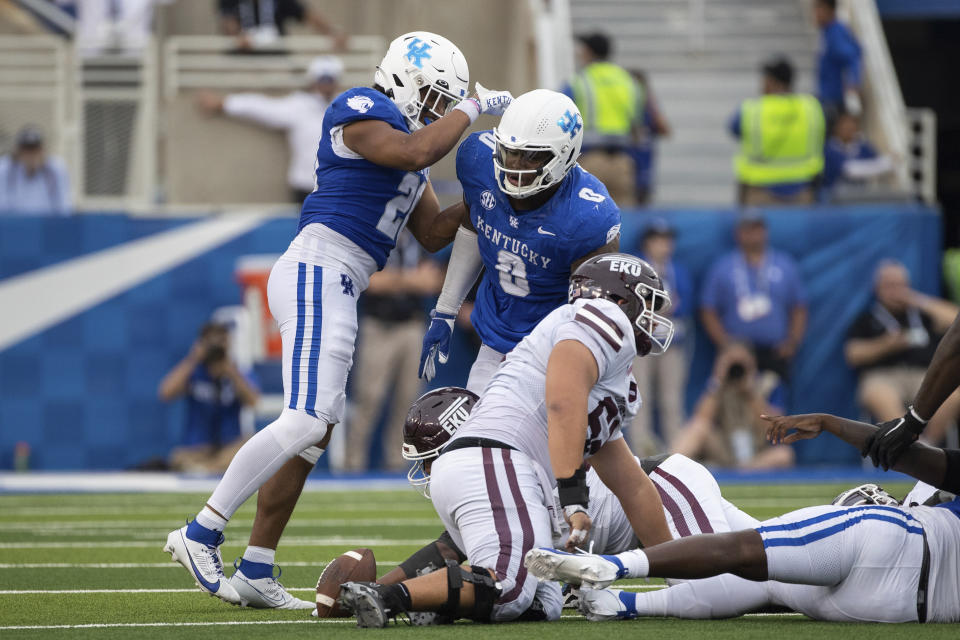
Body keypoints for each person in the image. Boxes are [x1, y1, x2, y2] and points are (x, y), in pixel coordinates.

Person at [163, 31, 514, 609]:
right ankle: (201, 531)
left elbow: (429, 235)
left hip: (342, 282)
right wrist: (471, 109)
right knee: (304, 420)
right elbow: (418, 151)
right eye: (433, 99)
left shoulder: (405, 143)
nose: (434, 113)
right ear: (402, 80)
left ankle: (256, 567)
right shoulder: (360, 108)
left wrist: (486, 199)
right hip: (316, 267)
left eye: (442, 104)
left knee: (314, 432)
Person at [337, 254, 676, 627]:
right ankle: (391, 598)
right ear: (619, 298)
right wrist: (574, 497)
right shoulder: (602, 316)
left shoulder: (612, 379)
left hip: (488, 466)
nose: (655, 316)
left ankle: (423, 602)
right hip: (498, 457)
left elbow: (633, 487)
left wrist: (678, 569)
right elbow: (563, 403)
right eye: (651, 302)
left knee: (541, 602)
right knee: (510, 588)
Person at [525, 410, 960, 624]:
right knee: (748, 570)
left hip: (900, 544)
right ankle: (619, 591)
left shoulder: (910, 508)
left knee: (745, 564)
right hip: (914, 607)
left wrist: (831, 423)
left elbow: (908, 455)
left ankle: (614, 579)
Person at [418, 89, 622, 392]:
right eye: (510, 151)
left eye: (531, 156)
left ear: (564, 155)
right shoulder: (480, 161)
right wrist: (447, 309)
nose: (515, 165)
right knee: (479, 436)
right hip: (494, 338)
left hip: (554, 348)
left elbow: (590, 315)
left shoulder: (588, 215)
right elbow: (475, 224)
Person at [344, 231, 443, 471]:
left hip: (412, 326)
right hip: (379, 326)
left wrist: (394, 279)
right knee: (369, 398)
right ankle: (352, 465)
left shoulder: (418, 242)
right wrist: (411, 280)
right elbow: (371, 282)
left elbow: (433, 281)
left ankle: (398, 464)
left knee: (409, 399)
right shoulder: (374, 239)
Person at [195, 55, 344, 203]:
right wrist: (224, 104)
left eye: (330, 79)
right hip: (305, 186)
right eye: (322, 79)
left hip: (338, 186)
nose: (326, 85)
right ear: (313, 80)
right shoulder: (299, 105)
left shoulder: (346, 107)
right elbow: (260, 107)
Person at [845, 260, 960, 450]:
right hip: (883, 376)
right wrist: (887, 345)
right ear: (877, 288)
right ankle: (907, 447)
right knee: (878, 393)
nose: (895, 291)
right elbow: (853, 354)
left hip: (924, 374)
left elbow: (955, 321)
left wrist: (916, 300)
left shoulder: (923, 314)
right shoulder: (867, 318)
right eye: (889, 286)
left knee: (954, 393)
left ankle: (927, 446)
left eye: (899, 285)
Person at [700, 210, 807, 406]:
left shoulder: (785, 265)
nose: (752, 235)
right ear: (738, 233)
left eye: (757, 229)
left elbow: (799, 307)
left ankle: (771, 437)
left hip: (774, 351)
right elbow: (708, 308)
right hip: (738, 350)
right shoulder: (722, 267)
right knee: (735, 405)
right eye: (747, 230)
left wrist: (792, 342)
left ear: (765, 231)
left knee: (774, 405)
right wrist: (724, 342)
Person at [671, 342, 793, 469]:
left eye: (741, 362)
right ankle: (669, 468)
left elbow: (773, 428)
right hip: (724, 448)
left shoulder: (768, 382)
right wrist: (717, 381)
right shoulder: (716, 386)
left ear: (752, 362)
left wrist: (751, 393)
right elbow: (701, 419)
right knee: (698, 428)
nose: (737, 366)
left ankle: (743, 470)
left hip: (756, 450)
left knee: (785, 454)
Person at [158, 323, 259, 473]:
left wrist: (231, 371)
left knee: (251, 446)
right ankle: (211, 468)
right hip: (197, 449)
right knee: (178, 457)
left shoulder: (238, 371)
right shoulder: (194, 373)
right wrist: (193, 359)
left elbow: (253, 401)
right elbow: (165, 393)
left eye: (222, 342)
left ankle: (208, 469)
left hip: (229, 447)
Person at [629, 218, 691, 453]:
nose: (663, 245)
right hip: (640, 342)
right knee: (639, 400)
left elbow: (685, 303)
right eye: (658, 240)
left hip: (671, 342)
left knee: (671, 401)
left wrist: (661, 307)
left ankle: (678, 454)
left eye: (667, 240)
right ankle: (640, 453)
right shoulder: (636, 267)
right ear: (647, 242)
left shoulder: (678, 270)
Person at [563, 32, 645, 208]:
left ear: (589, 52)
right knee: (622, 222)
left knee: (586, 216)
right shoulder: (628, 81)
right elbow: (639, 127)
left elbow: (558, 117)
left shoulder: (580, 81)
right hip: (622, 162)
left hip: (590, 162)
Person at [730, 56, 825, 205]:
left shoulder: (753, 109)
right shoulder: (811, 107)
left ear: (772, 82)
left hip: (760, 193)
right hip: (803, 192)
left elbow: (734, 128)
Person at [821, 112, 895, 201]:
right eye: (845, 126)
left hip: (859, 195)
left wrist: (888, 162)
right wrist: (886, 163)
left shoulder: (862, 145)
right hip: (834, 197)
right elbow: (850, 170)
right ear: (837, 127)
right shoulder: (830, 148)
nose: (849, 130)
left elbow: (879, 160)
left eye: (852, 127)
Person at [217, 0, 347, 50]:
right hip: (243, 59)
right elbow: (228, 23)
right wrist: (238, 36)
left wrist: (333, 32)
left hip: (276, 59)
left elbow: (307, 15)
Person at [0, 126, 71, 215]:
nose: (31, 155)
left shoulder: (55, 168)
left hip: (46, 226)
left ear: (43, 150)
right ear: (18, 152)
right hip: (14, 226)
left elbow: (63, 208)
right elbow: (2, 208)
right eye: (27, 150)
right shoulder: (5, 168)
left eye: (35, 150)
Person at [813, 0, 863, 120]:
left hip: (834, 101)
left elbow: (852, 57)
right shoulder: (827, 32)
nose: (815, 14)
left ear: (829, 10)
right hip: (827, 97)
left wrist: (853, 83)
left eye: (818, 9)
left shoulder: (836, 33)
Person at [628, 70, 670, 206]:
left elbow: (666, 131)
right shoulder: (623, 111)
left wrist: (651, 104)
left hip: (645, 170)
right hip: (627, 170)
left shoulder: (649, 111)